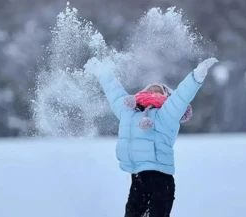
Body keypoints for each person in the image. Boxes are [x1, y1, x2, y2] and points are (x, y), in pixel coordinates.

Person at [84, 56, 218, 217]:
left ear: (167, 97)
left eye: (159, 90)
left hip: (161, 181)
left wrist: (196, 76)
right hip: (137, 179)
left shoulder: (167, 114)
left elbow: (182, 96)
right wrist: (102, 72)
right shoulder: (128, 111)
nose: (153, 92)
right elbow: (114, 91)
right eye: (150, 89)